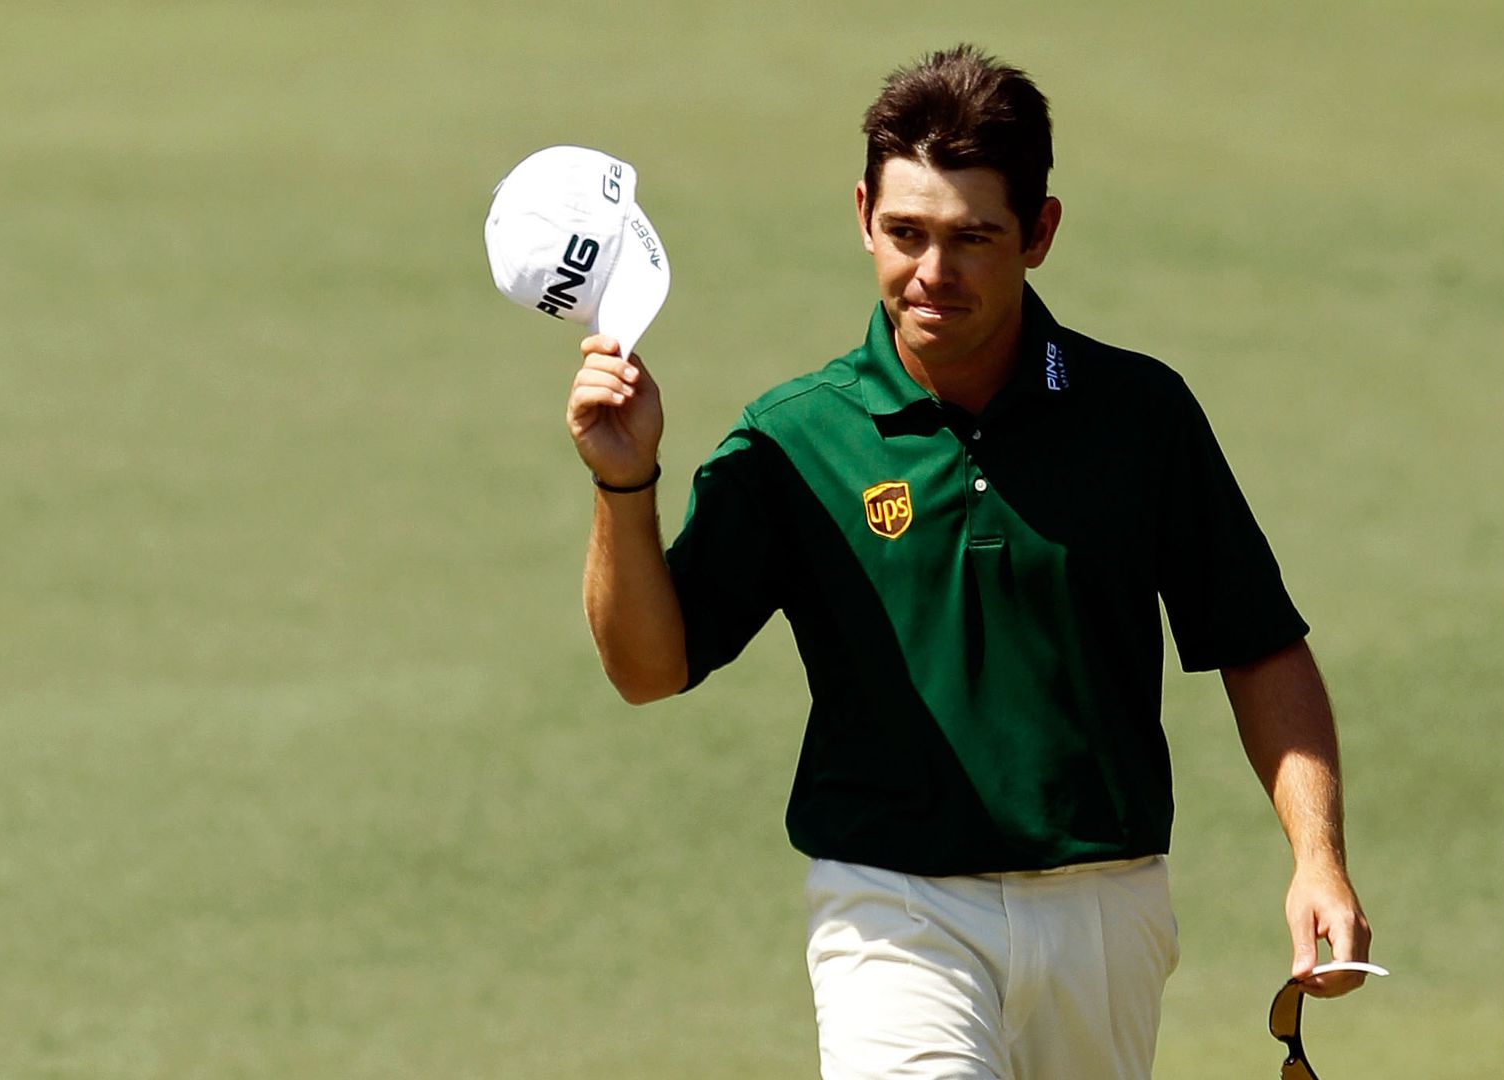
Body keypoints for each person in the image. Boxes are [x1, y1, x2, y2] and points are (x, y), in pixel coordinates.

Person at [563, 44, 1372, 1080]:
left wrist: (1319, 859)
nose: (931, 274)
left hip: (1106, 909)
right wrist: (622, 487)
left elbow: (1259, 647)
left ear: (1040, 233)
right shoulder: (791, 441)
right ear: (862, 213)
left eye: (972, 238)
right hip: (892, 910)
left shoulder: (1141, 416)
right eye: (904, 234)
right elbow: (647, 668)